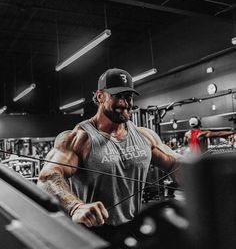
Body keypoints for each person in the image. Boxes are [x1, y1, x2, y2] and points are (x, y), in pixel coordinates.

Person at [37, 68, 182, 232]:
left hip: (133, 228)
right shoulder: (79, 138)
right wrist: (76, 207)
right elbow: (47, 177)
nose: (124, 103)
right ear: (100, 96)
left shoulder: (145, 137)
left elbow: (177, 164)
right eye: (117, 96)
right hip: (93, 229)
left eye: (128, 97)